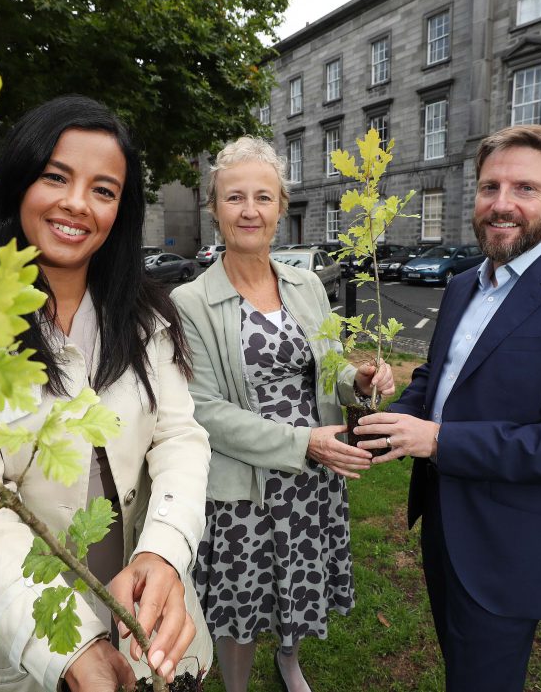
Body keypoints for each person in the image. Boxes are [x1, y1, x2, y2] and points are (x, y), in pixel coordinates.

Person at [0, 95, 212, 692]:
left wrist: (165, 551)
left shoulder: (144, 318)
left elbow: (180, 437)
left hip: (138, 614)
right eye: (56, 176)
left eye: (104, 190)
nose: (78, 203)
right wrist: (67, 645)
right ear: (20, 183)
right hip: (15, 633)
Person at [355, 124, 541, 691]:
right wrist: (379, 419)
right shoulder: (464, 285)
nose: (501, 204)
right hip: (444, 522)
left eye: (524, 189)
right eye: (490, 188)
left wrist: (437, 442)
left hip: (508, 546)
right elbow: (441, 381)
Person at [171, 136, 395, 692]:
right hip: (246, 481)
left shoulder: (307, 284)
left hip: (312, 478)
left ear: (281, 207)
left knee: (298, 579)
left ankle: (290, 661)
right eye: (235, 198)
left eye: (264, 197)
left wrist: (356, 380)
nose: (250, 210)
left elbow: (328, 369)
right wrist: (303, 444)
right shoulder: (190, 302)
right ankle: (238, 686)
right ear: (215, 210)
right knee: (242, 598)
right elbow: (204, 410)